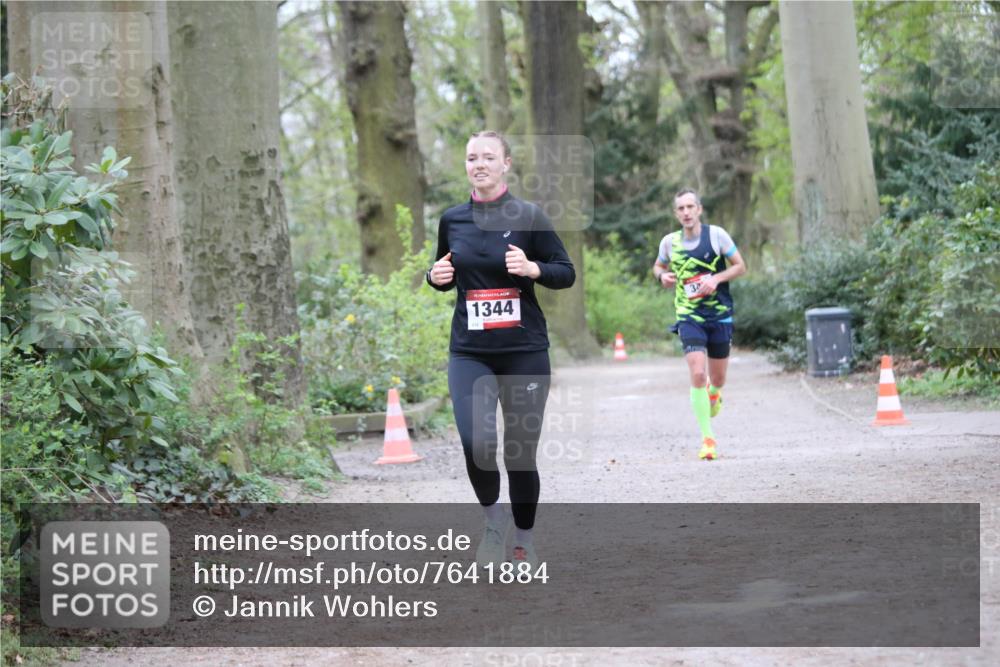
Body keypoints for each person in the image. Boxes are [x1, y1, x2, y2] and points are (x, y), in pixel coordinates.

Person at [426, 131, 575, 568]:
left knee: (520, 451)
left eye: (488, 157)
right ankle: (494, 522)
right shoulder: (452, 219)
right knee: (476, 442)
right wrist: (434, 277)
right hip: (470, 351)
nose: (479, 164)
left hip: (524, 351)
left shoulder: (529, 216)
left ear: (506, 163)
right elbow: (444, 271)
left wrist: (532, 268)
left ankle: (523, 541)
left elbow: (564, 272)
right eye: (472, 157)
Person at [652, 189, 746, 460]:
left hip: (718, 315)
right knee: (697, 374)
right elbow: (657, 266)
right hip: (688, 315)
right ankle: (708, 440)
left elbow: (740, 266)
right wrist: (662, 276)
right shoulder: (669, 242)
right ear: (676, 213)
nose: (686, 212)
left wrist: (716, 279)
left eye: (690, 207)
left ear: (699, 209)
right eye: (681, 208)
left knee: (717, 379)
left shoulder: (717, 236)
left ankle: (714, 394)